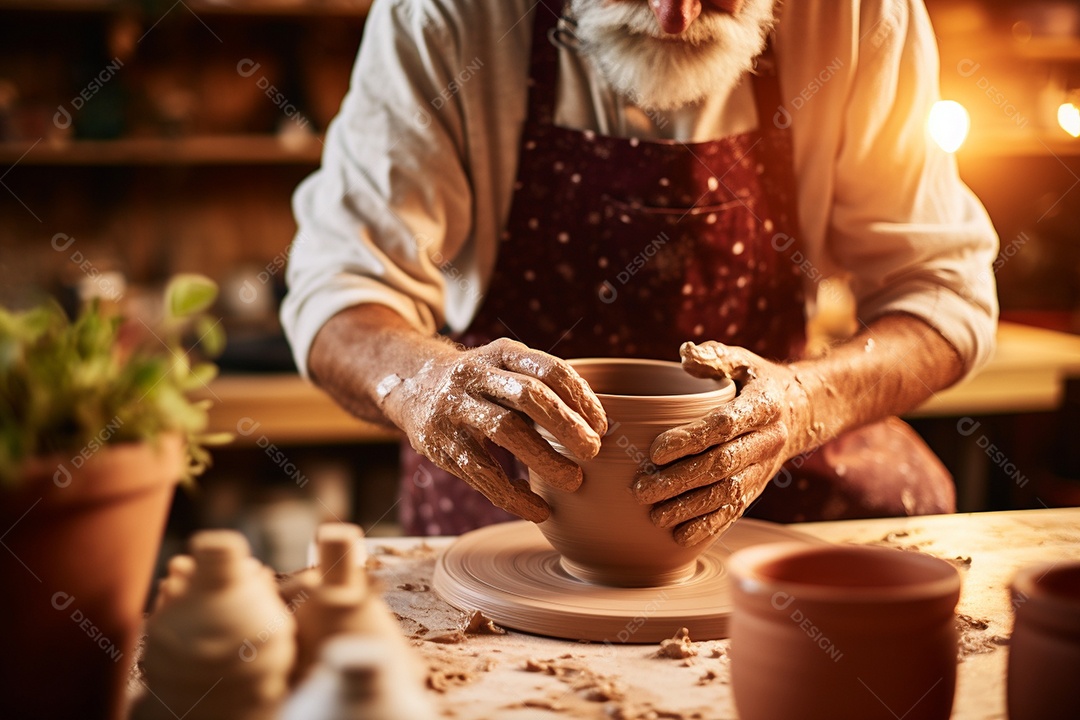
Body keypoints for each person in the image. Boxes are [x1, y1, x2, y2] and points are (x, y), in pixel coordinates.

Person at [282, 0, 999, 545]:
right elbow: (342, 291)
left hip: (768, 465)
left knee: (908, 535)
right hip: (527, 496)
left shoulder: (857, 15)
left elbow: (944, 291)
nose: (674, 16)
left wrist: (807, 403)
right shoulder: (447, 15)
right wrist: (427, 382)